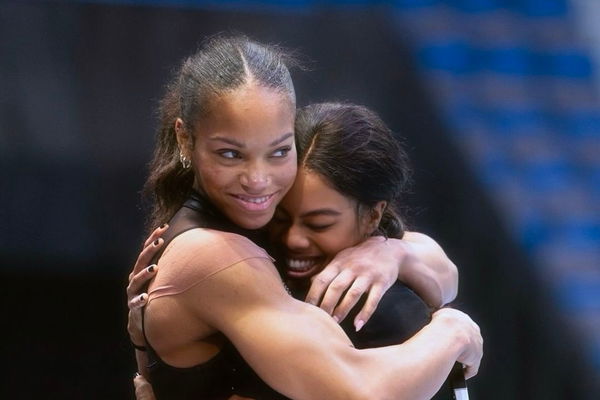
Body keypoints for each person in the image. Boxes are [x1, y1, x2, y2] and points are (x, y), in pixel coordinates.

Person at [127, 34, 482, 400]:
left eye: (279, 151)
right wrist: (453, 331)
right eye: (231, 154)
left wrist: (392, 251)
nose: (258, 180)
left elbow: (445, 275)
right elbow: (359, 393)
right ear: (185, 140)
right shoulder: (214, 254)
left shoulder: (242, 226)